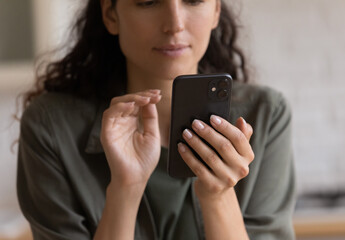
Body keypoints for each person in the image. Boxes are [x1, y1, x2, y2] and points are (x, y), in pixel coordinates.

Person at [17, 0, 296, 239]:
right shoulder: (50, 127)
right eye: (148, 1)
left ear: (216, 10)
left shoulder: (266, 115)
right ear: (111, 14)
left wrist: (218, 196)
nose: (174, 24)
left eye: (194, 0)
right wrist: (125, 188)